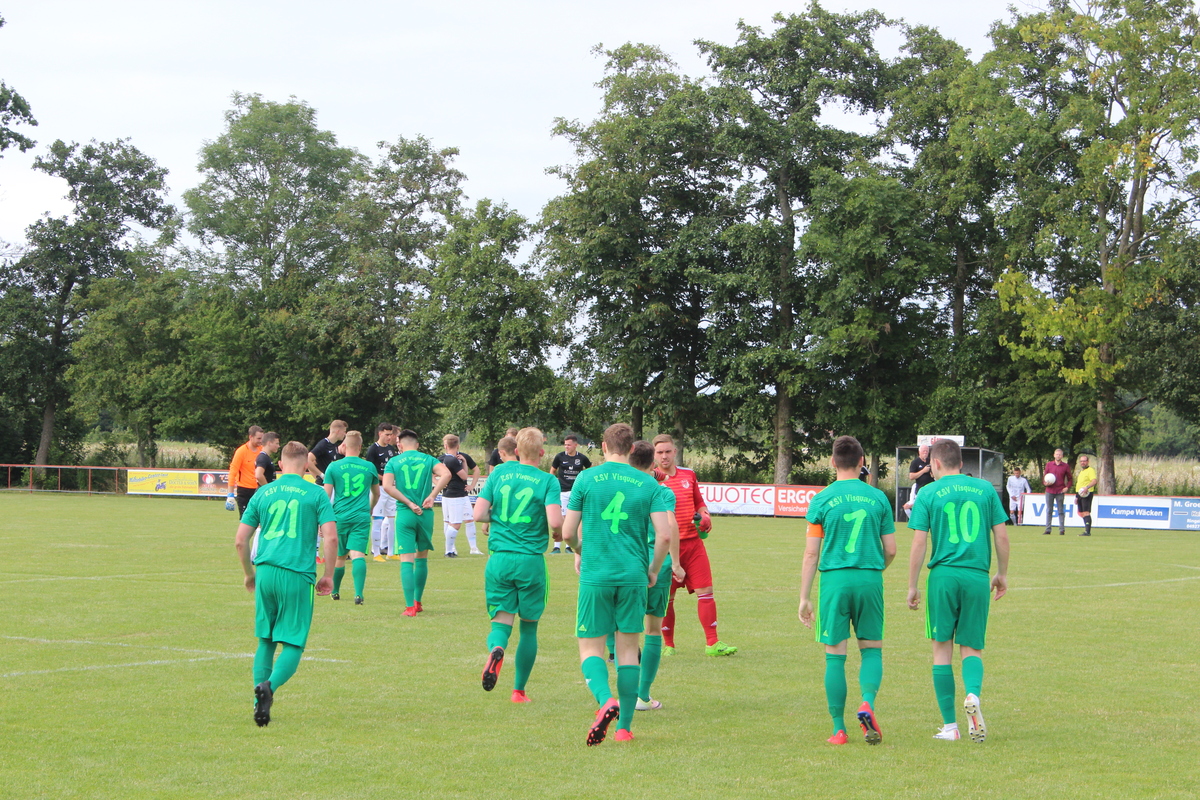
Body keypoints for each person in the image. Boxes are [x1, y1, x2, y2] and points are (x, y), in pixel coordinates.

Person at [563, 424, 672, 745]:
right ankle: (624, 728)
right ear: (632, 448)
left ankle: (605, 700)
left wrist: (580, 551)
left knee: (590, 647)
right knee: (627, 651)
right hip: (633, 576)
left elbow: (567, 533)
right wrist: (653, 570)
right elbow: (664, 535)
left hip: (596, 574)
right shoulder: (648, 482)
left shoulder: (586, 478)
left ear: (603, 446)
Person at [907, 438, 1010, 742]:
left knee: (942, 647)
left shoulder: (928, 492)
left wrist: (912, 585)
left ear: (935, 463)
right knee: (972, 647)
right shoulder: (985, 489)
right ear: (961, 463)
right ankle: (973, 695)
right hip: (977, 576)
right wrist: (1002, 574)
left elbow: (919, 542)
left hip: (943, 576)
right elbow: (1001, 536)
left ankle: (950, 727)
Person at [798, 436, 896, 746]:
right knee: (871, 649)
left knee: (835, 656)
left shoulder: (822, 499)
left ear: (832, 462)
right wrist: (873, 570)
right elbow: (891, 549)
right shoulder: (878, 497)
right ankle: (867, 702)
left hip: (834, 582)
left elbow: (811, 553)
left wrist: (804, 597)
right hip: (869, 579)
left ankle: (839, 730)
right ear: (862, 461)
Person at [234, 440, 337, 727]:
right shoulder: (316, 493)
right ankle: (270, 687)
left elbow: (241, 540)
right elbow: (330, 537)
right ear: (306, 466)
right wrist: (328, 574)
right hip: (297, 573)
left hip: (265, 571)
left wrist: (249, 574)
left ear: (280, 464)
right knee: (293, 641)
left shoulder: (263, 492)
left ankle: (258, 701)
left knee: (266, 639)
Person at [472, 427, 561, 703]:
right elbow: (555, 521)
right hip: (530, 561)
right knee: (529, 628)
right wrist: (558, 534)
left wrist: (497, 518)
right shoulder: (548, 480)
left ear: (517, 451)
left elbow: (478, 514)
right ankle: (518, 691)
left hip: (499, 558)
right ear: (542, 452)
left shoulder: (499, 473)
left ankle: (497, 649)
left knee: (501, 624)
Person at [652, 434, 736, 657]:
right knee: (666, 598)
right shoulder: (651, 480)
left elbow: (699, 502)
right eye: (659, 452)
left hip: (693, 544)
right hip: (665, 547)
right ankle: (668, 645)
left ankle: (712, 643)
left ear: (675, 451)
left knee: (706, 591)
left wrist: (705, 516)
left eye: (667, 451)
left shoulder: (688, 475)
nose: (664, 456)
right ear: (654, 455)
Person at [632, 440, 685, 711]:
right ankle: (642, 696)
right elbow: (670, 527)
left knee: (622, 629)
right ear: (653, 463)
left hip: (626, 561)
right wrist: (675, 562)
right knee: (652, 630)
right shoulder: (662, 491)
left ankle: (616, 694)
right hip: (656, 562)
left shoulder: (621, 487)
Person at [383, 429, 452, 616]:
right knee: (421, 557)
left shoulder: (394, 461)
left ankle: (409, 607)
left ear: (400, 444)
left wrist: (408, 502)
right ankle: (418, 602)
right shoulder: (428, 459)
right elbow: (446, 474)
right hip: (425, 512)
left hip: (406, 513)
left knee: (406, 559)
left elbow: (387, 486)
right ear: (417, 444)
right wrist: (432, 495)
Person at [323, 431, 381, 604]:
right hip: (361, 516)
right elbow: (377, 494)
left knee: (340, 556)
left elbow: (326, 496)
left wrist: (323, 519)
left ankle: (335, 591)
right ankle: (358, 594)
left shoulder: (333, 467)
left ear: (344, 446)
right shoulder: (369, 467)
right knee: (357, 554)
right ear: (360, 447)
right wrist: (370, 508)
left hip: (340, 516)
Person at [440, 434, 482, 556]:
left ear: (445, 445)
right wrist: (439, 483)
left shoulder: (461, 457)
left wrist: (472, 485)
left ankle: (473, 548)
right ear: (458, 445)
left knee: (469, 519)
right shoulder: (447, 459)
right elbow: (464, 476)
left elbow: (472, 472)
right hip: (452, 494)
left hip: (461, 494)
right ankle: (450, 549)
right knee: (452, 522)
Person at [550, 434, 592, 554]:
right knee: (562, 518)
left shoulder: (582, 458)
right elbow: (552, 471)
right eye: (565, 445)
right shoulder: (560, 457)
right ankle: (556, 547)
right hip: (563, 491)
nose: (566, 447)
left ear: (575, 445)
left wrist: (586, 484)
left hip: (576, 493)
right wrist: (553, 484)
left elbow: (590, 471)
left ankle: (568, 547)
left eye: (569, 445)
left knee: (572, 519)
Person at [365, 423, 399, 562]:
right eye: (386, 434)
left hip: (390, 488)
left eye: (391, 434)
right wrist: (385, 479)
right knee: (377, 520)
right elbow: (370, 470)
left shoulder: (391, 449)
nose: (389, 437)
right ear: (380, 434)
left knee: (392, 520)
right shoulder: (373, 449)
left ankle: (391, 552)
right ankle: (376, 553)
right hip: (378, 488)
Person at [481, 427, 520, 541]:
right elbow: (491, 471)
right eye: (508, 438)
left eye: (513, 439)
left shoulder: (520, 454)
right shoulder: (496, 454)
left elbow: (478, 514)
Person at [228, 426, 265, 517]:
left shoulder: (262, 451)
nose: (261, 441)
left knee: (260, 519)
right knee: (246, 520)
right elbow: (233, 471)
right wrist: (230, 494)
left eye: (262, 438)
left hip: (259, 490)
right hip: (244, 491)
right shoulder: (241, 451)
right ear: (250, 437)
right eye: (258, 438)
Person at [307, 420, 347, 486]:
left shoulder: (334, 445)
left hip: (330, 485)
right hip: (322, 486)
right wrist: (321, 475)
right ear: (338, 431)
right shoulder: (323, 444)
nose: (345, 434)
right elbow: (307, 460)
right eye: (344, 431)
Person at [1043, 448, 1072, 536]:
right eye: (1057, 454)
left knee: (1060, 511)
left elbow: (1070, 479)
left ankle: (1062, 529)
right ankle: (1048, 529)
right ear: (1054, 455)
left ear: (1062, 456)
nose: (1058, 456)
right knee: (1049, 510)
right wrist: (1045, 483)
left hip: (1060, 491)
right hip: (1049, 490)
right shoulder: (1049, 465)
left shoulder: (1065, 466)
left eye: (1059, 454)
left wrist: (1067, 487)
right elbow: (1044, 477)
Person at [904, 444, 934, 511]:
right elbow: (911, 476)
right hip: (920, 489)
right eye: (924, 451)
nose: (925, 452)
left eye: (927, 451)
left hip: (931, 489)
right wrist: (923, 471)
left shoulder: (931, 461)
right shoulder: (915, 462)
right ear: (919, 452)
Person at [1074, 454, 1098, 537]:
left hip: (1086, 494)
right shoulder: (1082, 471)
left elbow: (1094, 481)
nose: (1082, 462)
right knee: (1082, 513)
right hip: (1080, 494)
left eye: (1084, 461)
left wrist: (1087, 487)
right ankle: (1086, 530)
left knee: (1086, 512)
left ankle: (1087, 532)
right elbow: (1080, 484)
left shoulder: (1090, 470)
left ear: (1088, 462)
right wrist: (1077, 496)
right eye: (1081, 461)